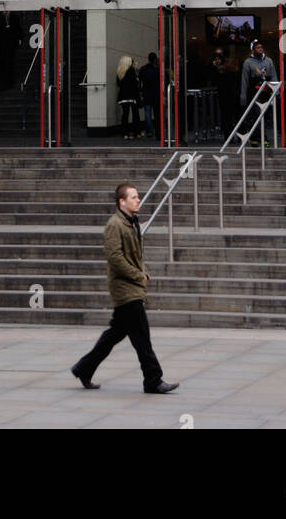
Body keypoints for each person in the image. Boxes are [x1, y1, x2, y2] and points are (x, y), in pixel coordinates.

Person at [71, 183, 178, 395]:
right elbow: (115, 257)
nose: (138, 200)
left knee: (114, 334)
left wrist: (142, 270)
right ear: (122, 201)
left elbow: (135, 255)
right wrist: (138, 275)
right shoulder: (115, 225)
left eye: (137, 197)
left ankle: (83, 368)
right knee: (142, 337)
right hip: (125, 288)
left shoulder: (131, 222)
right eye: (134, 197)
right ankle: (153, 380)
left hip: (132, 286)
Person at [239, 40, 278, 146]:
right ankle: (261, 139)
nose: (260, 49)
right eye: (257, 47)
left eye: (261, 47)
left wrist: (276, 91)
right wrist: (243, 97)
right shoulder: (248, 62)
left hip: (266, 92)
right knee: (256, 115)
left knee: (265, 116)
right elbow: (244, 80)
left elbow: (274, 75)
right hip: (254, 92)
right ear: (253, 49)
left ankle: (256, 138)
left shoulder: (269, 61)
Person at [211, 51, 238, 140]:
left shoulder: (225, 70)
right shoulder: (221, 70)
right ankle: (230, 137)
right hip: (226, 96)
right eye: (216, 59)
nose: (217, 61)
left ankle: (230, 137)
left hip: (228, 96)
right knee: (228, 117)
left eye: (218, 59)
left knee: (229, 117)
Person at [116, 55, 142, 139]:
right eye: (131, 61)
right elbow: (135, 84)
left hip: (123, 96)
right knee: (135, 114)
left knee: (125, 115)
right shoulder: (131, 70)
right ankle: (136, 132)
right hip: (131, 95)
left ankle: (125, 134)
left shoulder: (120, 71)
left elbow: (118, 84)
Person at [139, 52, 160, 140]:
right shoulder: (157, 69)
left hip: (146, 94)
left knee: (147, 113)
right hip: (155, 94)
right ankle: (157, 132)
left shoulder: (143, 69)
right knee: (157, 113)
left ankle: (150, 131)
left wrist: (141, 92)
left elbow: (140, 80)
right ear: (155, 59)